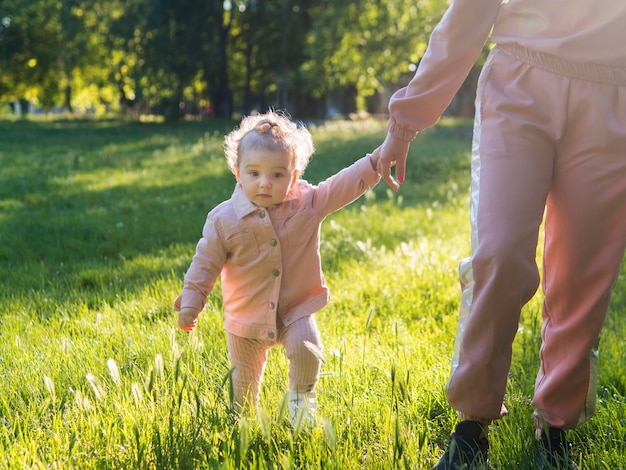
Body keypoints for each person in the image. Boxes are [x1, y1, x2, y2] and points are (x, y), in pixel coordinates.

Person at [376, 1, 626, 468]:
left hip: (613, 96)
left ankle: (555, 430)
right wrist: (404, 122)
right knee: (501, 255)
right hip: (520, 84)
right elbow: (470, 13)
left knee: (584, 277)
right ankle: (472, 426)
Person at [174, 110, 381, 425]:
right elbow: (204, 263)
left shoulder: (308, 204)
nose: (264, 184)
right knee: (243, 387)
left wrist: (376, 163)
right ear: (237, 173)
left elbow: (343, 185)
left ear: (294, 177)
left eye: (277, 175)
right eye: (254, 173)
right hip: (246, 318)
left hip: (294, 309)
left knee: (306, 348)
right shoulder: (223, 220)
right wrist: (192, 300)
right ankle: (243, 424)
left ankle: (300, 405)